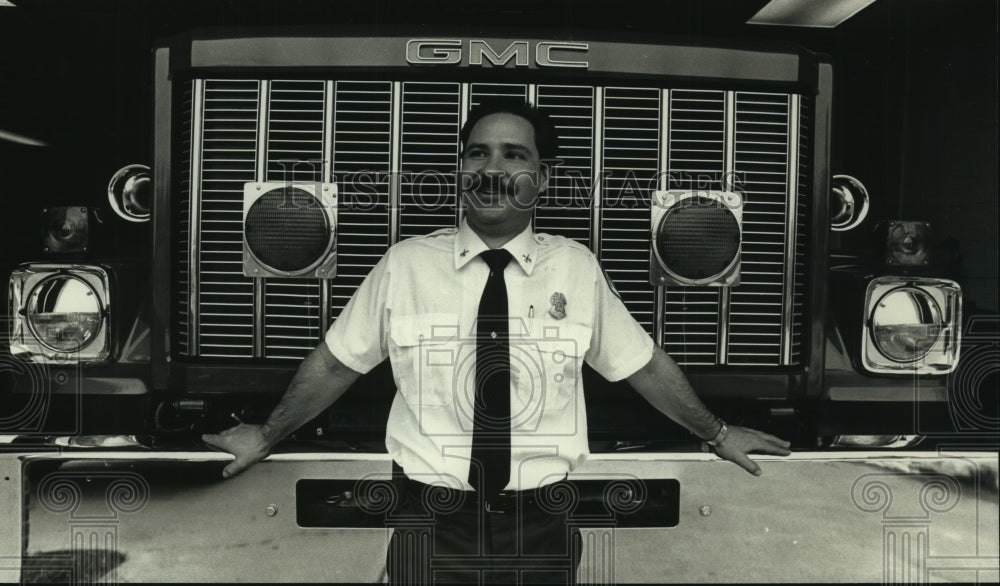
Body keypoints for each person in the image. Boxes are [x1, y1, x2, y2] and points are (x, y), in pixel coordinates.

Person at [202, 98, 792, 584]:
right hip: (429, 522)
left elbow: (642, 366)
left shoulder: (576, 269)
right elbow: (335, 366)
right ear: (460, 169)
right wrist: (266, 434)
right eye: (478, 153)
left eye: (514, 155)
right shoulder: (405, 265)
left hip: (541, 527)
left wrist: (716, 433)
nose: (493, 169)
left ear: (542, 176)